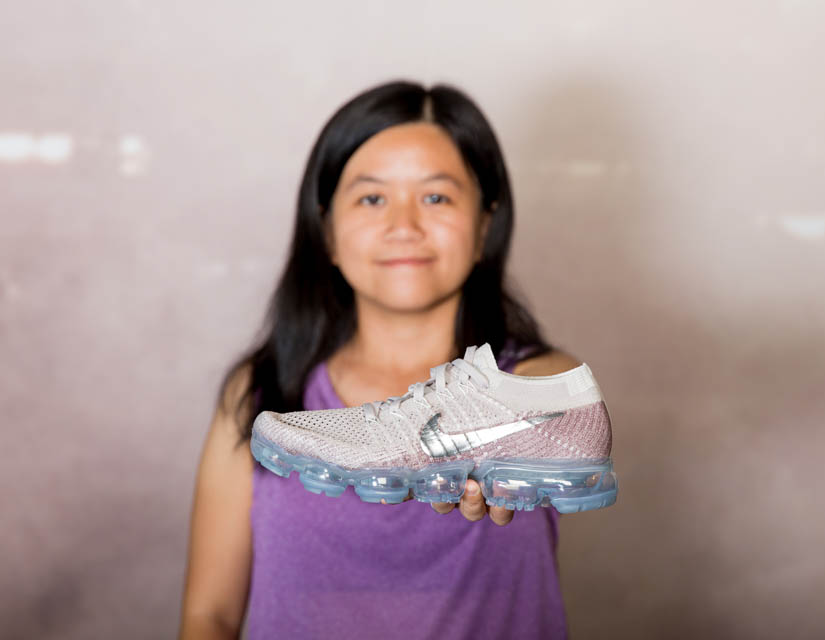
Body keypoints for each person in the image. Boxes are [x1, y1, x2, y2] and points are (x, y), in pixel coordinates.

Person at [179, 79, 584, 640]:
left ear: (484, 226)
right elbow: (211, 616)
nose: (403, 227)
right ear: (327, 231)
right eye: (372, 199)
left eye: (436, 197)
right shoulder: (259, 392)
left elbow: (559, 406)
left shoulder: (541, 378)